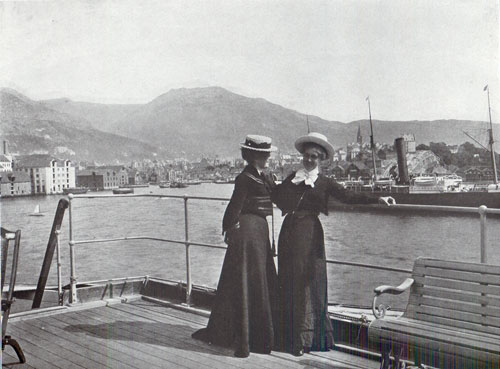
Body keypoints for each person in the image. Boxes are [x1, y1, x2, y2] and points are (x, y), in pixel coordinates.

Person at [272, 132, 393, 356]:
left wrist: (377, 198)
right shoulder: (292, 177)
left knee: (307, 282)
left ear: (321, 160)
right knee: (288, 280)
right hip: (288, 233)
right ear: (302, 156)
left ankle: (304, 340)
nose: (310, 160)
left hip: (309, 235)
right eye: (307, 156)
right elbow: (276, 196)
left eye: (315, 157)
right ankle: (285, 338)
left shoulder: (325, 182)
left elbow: (348, 196)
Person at [192, 134, 278, 358]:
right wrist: (230, 229)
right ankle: (245, 338)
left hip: (259, 233)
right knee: (245, 282)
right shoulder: (245, 178)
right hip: (248, 235)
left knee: (254, 281)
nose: (268, 157)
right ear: (253, 155)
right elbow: (234, 207)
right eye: (264, 154)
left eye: (268, 153)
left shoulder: (263, 176)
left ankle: (255, 335)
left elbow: (278, 197)